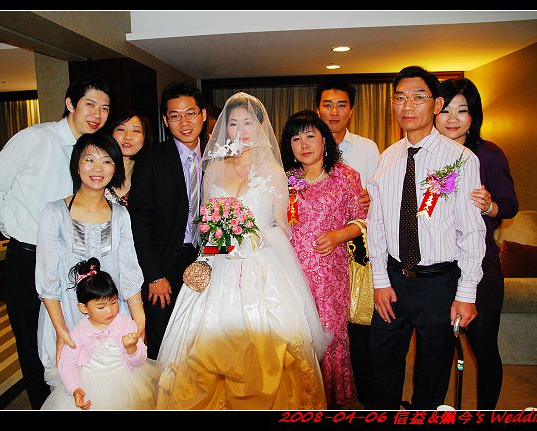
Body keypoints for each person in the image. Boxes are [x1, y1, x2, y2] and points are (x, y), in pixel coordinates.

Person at [155, 93, 329, 410]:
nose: (241, 130)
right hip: (219, 264)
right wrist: (214, 251)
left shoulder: (274, 171)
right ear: (225, 129)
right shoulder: (214, 170)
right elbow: (207, 226)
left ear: (260, 126)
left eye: (248, 122)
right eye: (233, 124)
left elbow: (281, 226)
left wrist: (251, 241)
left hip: (261, 267)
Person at [0, 75, 112, 409]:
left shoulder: (92, 151)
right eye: (90, 104)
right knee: (34, 346)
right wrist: (15, 229)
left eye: (105, 108)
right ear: (70, 104)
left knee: (75, 337)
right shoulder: (35, 139)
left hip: (74, 261)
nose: (97, 114)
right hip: (30, 258)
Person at [365, 66, 486, 410]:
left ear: (436, 105)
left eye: (418, 97)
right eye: (400, 98)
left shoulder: (461, 159)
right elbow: (377, 224)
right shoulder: (388, 158)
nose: (407, 106)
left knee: (432, 371)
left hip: (438, 284)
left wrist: (466, 293)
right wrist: (379, 280)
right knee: (381, 363)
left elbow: (471, 230)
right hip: (394, 279)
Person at [36, 132, 147, 392]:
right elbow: (47, 280)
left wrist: (140, 320)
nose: (98, 168)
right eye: (90, 160)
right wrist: (61, 329)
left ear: (115, 168)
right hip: (66, 314)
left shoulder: (120, 215)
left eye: (107, 161)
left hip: (111, 316)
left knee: (117, 389)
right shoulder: (55, 212)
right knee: (72, 388)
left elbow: (130, 272)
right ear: (77, 165)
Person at [436, 77, 518, 409]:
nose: (452, 119)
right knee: (437, 349)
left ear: (474, 116)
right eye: (446, 110)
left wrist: (489, 205)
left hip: (481, 265)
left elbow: (509, 205)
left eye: (462, 110)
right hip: (437, 268)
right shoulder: (423, 155)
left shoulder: (488, 154)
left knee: (483, 347)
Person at [280, 110, 367, 408]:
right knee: (297, 336)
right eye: (296, 138)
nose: (304, 144)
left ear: (324, 140)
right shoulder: (286, 181)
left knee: (331, 338)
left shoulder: (345, 176)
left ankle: (334, 401)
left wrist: (339, 235)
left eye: (310, 136)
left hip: (330, 275)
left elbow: (363, 220)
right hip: (292, 273)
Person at [129, 81, 207, 360]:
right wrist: (153, 274)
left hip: (208, 260)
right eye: (175, 116)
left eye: (190, 113)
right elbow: (140, 221)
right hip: (164, 265)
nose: (184, 123)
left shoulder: (218, 158)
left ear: (203, 115)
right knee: (164, 341)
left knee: (202, 339)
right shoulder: (151, 160)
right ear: (165, 120)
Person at [315, 78, 380, 407]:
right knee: (317, 326)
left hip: (358, 249)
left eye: (341, 105)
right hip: (318, 254)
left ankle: (359, 397)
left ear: (351, 110)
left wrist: (368, 202)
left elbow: (378, 196)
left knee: (357, 329)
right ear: (318, 109)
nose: (334, 112)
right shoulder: (307, 147)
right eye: (327, 105)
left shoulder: (367, 148)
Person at [41, 257, 161, 410]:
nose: (110, 310)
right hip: (90, 387)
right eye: (101, 307)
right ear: (83, 308)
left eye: (113, 302)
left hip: (125, 385)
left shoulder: (126, 324)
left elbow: (139, 361)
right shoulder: (79, 331)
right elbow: (67, 364)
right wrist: (75, 389)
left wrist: (131, 348)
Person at [104, 108, 154, 207]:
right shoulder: (98, 172)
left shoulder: (152, 178)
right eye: (121, 129)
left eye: (136, 131)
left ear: (145, 138)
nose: (127, 136)